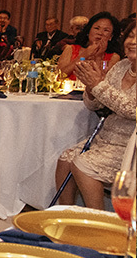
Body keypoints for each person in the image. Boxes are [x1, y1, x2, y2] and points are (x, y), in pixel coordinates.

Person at [55, 19, 135, 209]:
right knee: (65, 159)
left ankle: (97, 219)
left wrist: (98, 85)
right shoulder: (121, 66)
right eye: (131, 36)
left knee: (83, 165)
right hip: (105, 138)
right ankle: (67, 215)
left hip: (130, 145)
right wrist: (91, 88)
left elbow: (132, 110)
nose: (133, 42)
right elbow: (95, 105)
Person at [58, 11, 120, 80]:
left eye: (106, 30)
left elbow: (104, 81)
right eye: (96, 28)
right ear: (88, 31)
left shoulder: (114, 57)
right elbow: (59, 75)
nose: (100, 33)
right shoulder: (71, 49)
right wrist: (84, 55)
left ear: (111, 36)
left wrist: (98, 57)